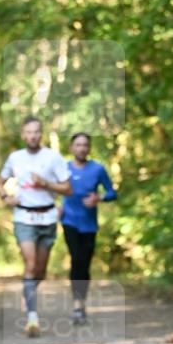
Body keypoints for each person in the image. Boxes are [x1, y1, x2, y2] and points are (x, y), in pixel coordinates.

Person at [0, 116, 72, 337]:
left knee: (40, 271)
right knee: (30, 265)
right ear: (23, 134)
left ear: (42, 133)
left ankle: (28, 291)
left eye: (37, 131)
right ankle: (32, 319)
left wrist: (46, 184)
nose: (33, 135)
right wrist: (5, 197)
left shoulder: (53, 157)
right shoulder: (15, 158)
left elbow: (68, 189)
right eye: (28, 132)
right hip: (23, 217)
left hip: (47, 217)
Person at [61, 132, 118, 324]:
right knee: (76, 259)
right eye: (78, 145)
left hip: (89, 225)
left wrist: (98, 198)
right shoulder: (63, 168)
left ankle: (81, 302)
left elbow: (112, 192)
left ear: (89, 148)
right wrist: (56, 206)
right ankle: (77, 305)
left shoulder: (97, 169)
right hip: (69, 221)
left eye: (85, 145)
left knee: (84, 264)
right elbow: (51, 188)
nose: (81, 148)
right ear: (71, 148)